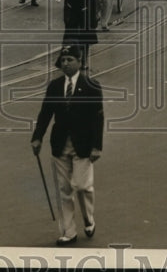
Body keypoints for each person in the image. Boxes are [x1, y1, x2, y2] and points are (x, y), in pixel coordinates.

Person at [30, 45, 104, 246]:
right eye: (63, 60)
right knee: (64, 189)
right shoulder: (54, 86)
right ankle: (68, 232)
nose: (65, 63)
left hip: (84, 145)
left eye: (70, 60)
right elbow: (45, 114)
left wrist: (97, 146)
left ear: (80, 62)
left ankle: (88, 218)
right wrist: (37, 137)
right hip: (60, 144)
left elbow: (98, 119)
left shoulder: (91, 86)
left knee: (81, 186)